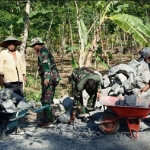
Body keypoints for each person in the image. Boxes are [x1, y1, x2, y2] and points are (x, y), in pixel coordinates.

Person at [30, 37, 61, 127]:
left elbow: (46, 64)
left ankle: (49, 121)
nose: (33, 48)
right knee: (49, 99)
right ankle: (52, 117)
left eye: (34, 46)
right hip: (53, 77)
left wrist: (47, 77)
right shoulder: (44, 50)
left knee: (46, 100)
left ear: (39, 44)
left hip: (50, 78)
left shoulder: (43, 51)